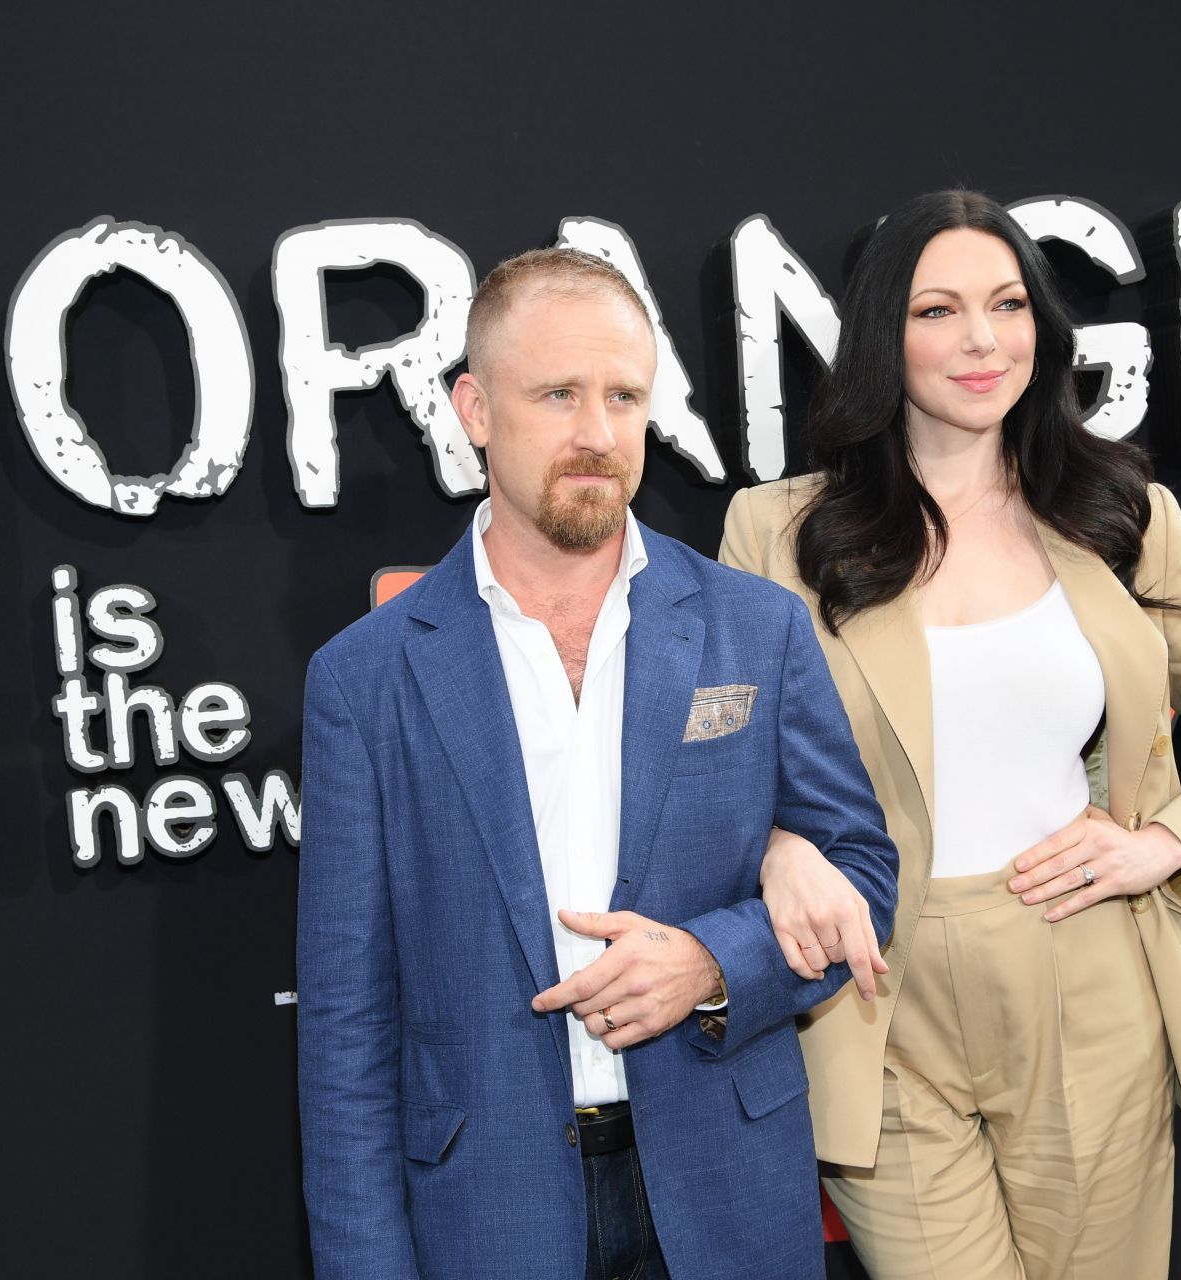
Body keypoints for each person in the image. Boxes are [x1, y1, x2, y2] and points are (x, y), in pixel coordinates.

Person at [723, 190, 1181, 1279]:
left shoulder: (1120, 509)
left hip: (1085, 973)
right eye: (938, 310)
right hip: (873, 992)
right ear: (881, 337)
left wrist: (1161, 845)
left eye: (1006, 305)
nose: (982, 340)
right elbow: (724, 758)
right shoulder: (779, 529)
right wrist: (778, 844)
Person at [297, 246, 898, 1280]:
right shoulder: (365, 678)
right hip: (487, 1209)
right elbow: (346, 1024)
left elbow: (863, 883)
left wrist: (713, 964)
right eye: (558, 394)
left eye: (624, 395)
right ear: (475, 409)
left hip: (726, 1188)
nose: (597, 433)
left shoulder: (755, 630)